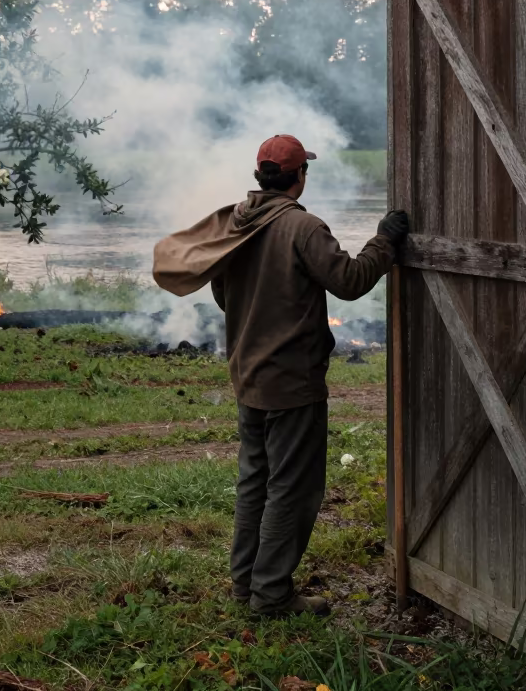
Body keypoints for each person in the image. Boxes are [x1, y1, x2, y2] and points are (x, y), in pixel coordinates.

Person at [152, 133, 409, 617]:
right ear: (298, 178)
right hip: (292, 383)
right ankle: (271, 595)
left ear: (260, 175)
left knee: (256, 482)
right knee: (291, 487)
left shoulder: (238, 223)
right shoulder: (302, 227)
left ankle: (246, 584)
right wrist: (385, 240)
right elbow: (350, 281)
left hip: (248, 375)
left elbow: (224, 296)